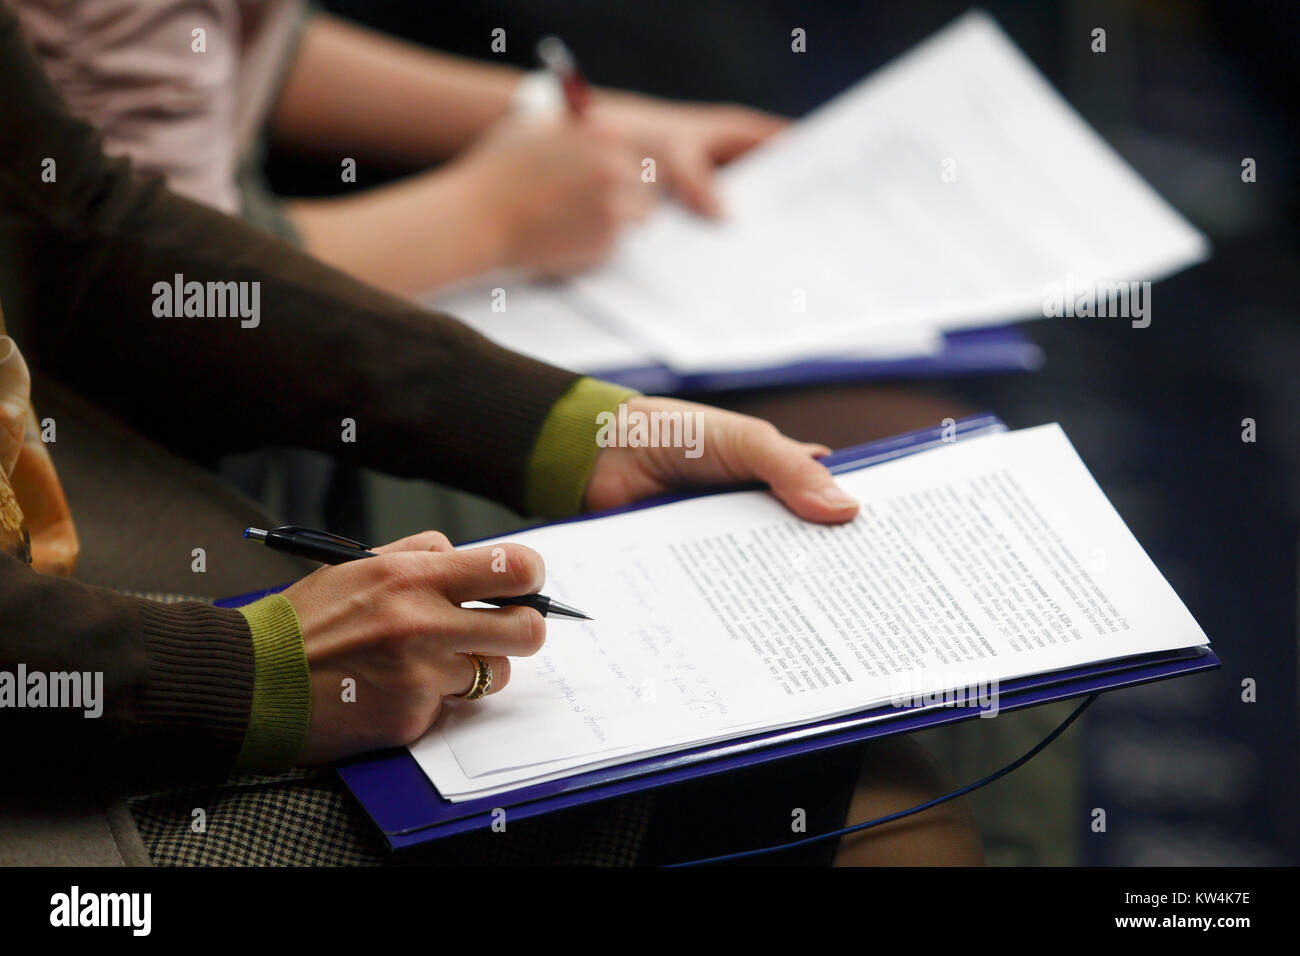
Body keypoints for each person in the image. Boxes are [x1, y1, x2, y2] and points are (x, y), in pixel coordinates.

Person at [0, 5, 983, 866]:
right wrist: (253, 671)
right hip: (71, 674)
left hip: (75, 539)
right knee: (884, 814)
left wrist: (579, 426)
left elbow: (72, 222)